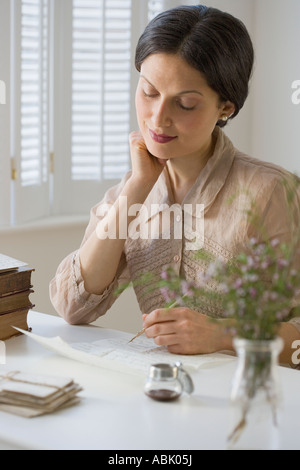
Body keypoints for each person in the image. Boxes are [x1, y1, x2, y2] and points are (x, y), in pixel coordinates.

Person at [50, 5, 300, 366]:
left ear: (225, 108)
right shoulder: (132, 190)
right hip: (161, 397)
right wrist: (137, 187)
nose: (158, 118)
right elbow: (72, 306)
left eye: (185, 104)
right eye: (149, 92)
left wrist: (221, 333)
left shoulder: (273, 193)